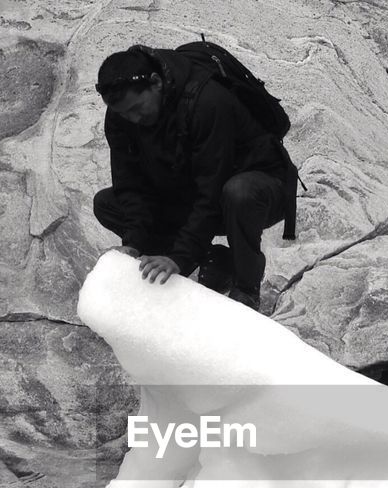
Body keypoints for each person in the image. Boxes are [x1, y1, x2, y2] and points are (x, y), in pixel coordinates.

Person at [92, 46, 296, 310]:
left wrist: (180, 258)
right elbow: (130, 186)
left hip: (258, 190)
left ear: (156, 83)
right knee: (108, 204)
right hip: (193, 188)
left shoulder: (207, 101)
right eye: (124, 113)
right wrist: (133, 244)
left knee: (238, 192)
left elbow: (211, 190)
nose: (133, 119)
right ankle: (205, 262)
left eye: (137, 108)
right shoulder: (122, 117)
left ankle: (246, 289)